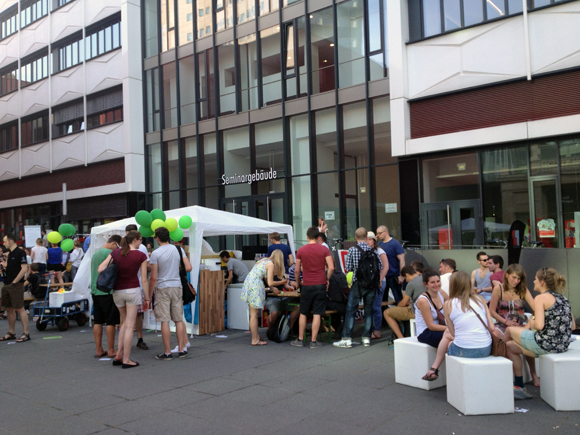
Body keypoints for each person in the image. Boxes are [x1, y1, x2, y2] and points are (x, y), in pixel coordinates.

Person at [504, 268, 576, 399]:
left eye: (536, 279)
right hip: (561, 346)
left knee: (508, 331)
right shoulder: (563, 298)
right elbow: (573, 326)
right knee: (510, 346)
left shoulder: (541, 298)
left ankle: (501, 373)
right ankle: (519, 386)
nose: (533, 281)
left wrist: (532, 320)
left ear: (542, 282)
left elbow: (539, 325)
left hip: (544, 344)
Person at [422, 271, 494, 381]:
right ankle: (434, 369)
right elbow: (492, 328)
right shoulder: (480, 300)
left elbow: (453, 333)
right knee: (449, 337)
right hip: (486, 348)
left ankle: (434, 368)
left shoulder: (448, 304)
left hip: (465, 349)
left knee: (447, 337)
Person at [98, 231, 148, 369]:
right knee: (130, 325)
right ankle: (126, 359)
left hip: (117, 291)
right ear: (135, 240)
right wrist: (148, 298)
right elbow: (144, 279)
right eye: (140, 240)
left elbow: (100, 268)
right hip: (133, 290)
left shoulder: (116, 253)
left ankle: (119, 354)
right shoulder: (141, 255)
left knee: (124, 323)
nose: (141, 242)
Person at [489, 263, 538, 386]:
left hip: (520, 324)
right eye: (514, 277)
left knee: (525, 341)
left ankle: (533, 373)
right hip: (502, 323)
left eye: (519, 278)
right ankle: (507, 374)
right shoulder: (498, 289)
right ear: (507, 275)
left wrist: (528, 324)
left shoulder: (523, 290)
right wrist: (505, 322)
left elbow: (536, 309)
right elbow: (491, 311)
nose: (516, 281)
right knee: (496, 335)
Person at [334, 227, 381, 348]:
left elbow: (348, 268)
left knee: (351, 310)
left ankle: (347, 338)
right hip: (371, 284)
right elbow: (379, 266)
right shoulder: (373, 251)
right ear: (366, 237)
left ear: (355, 237)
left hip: (357, 283)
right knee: (369, 310)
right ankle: (366, 338)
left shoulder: (352, 250)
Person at [149, 227, 192, 360]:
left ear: (157, 238)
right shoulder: (178, 249)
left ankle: (167, 352)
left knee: (164, 320)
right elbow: (188, 266)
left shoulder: (155, 253)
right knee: (178, 319)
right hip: (177, 286)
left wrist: (149, 294)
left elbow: (154, 277)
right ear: (168, 236)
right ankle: (181, 349)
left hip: (163, 287)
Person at [292, 227, 334, 349]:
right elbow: (331, 267)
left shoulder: (301, 250)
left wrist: (298, 282)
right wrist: (327, 279)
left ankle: (300, 339)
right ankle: (314, 341)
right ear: (318, 237)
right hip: (320, 284)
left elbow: (296, 270)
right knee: (317, 313)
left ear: (307, 236)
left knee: (303, 312)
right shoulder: (324, 249)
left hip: (306, 284)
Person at [241, 249, 286, 346]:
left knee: (253, 314)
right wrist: (282, 282)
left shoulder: (263, 260)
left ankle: (256, 336)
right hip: (255, 285)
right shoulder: (271, 265)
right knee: (254, 315)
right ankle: (255, 339)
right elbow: (270, 282)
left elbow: (266, 278)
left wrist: (272, 289)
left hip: (249, 283)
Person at [90, 235, 122, 358]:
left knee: (98, 320)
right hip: (106, 290)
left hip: (95, 289)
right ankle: (111, 349)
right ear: (114, 243)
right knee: (110, 321)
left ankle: (98, 349)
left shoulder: (95, 254)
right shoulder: (111, 254)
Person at [0, 234, 30, 342]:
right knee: (8, 309)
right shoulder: (10, 254)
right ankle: (11, 332)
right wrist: (4, 268)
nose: (4, 243)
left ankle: (26, 333)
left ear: (11, 241)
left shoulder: (20, 252)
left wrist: (15, 281)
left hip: (15, 284)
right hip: (7, 283)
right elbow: (12, 268)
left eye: (5, 241)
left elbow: (24, 268)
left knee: (19, 308)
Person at [125, 224, 150, 351]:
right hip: (135, 285)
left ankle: (137, 339)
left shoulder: (141, 248)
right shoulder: (122, 248)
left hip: (130, 285)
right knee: (130, 314)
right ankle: (130, 341)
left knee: (135, 314)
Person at [383, 265, 424, 340]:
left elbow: (404, 303)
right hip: (428, 309)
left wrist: (397, 308)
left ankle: (401, 339)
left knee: (386, 313)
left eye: (405, 278)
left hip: (416, 311)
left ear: (407, 275)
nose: (406, 281)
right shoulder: (424, 278)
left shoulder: (411, 283)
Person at [415, 269, 448, 356]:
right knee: (452, 338)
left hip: (441, 328)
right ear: (426, 284)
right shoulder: (423, 300)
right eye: (433, 282)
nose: (436, 284)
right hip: (426, 332)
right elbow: (431, 326)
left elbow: (453, 306)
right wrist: (451, 328)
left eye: (438, 281)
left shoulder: (441, 293)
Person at [367, 231, 389, 339]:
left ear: (374, 240)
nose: (368, 241)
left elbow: (386, 267)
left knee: (376, 307)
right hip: (369, 281)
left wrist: (380, 280)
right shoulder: (366, 250)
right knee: (370, 307)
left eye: (370, 239)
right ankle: (370, 329)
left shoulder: (379, 250)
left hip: (379, 281)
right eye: (367, 239)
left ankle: (377, 330)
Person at [376, 225, 405, 303]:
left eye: (380, 233)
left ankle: (400, 314)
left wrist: (401, 275)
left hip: (393, 275)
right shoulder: (379, 244)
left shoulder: (395, 244)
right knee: (382, 299)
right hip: (383, 276)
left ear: (386, 232)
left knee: (398, 298)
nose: (378, 235)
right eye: (377, 233)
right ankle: (383, 314)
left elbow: (402, 260)